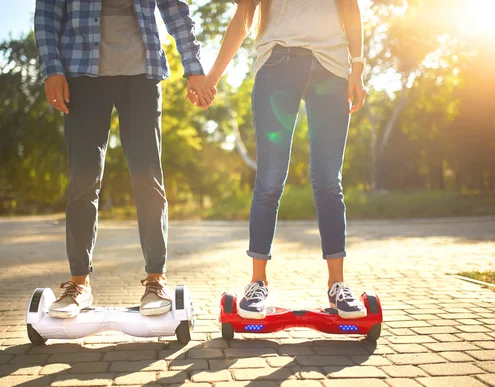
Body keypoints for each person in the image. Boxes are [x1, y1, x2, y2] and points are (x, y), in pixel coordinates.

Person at [34, 0, 216, 318]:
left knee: (148, 178)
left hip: (142, 74)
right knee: (83, 180)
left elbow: (175, 10)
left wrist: (194, 68)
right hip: (81, 74)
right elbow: (48, 14)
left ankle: (155, 280)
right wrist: (52, 70)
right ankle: (79, 284)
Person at [200, 0, 368, 319]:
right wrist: (213, 76)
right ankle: (258, 282)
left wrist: (357, 66)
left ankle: (337, 284)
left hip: (331, 66)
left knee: (329, 181)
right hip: (277, 63)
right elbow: (244, 16)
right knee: (269, 180)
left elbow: (350, 8)